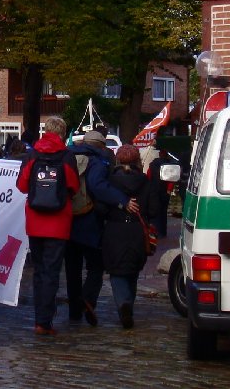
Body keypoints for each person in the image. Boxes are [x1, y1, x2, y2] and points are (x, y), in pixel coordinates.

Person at [65, 131, 137, 326]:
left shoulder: (67, 156)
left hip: (67, 219)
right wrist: (122, 200)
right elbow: (98, 186)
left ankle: (74, 311)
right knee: (96, 266)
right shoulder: (97, 160)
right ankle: (87, 299)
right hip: (89, 221)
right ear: (101, 145)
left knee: (72, 268)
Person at [16, 117, 79, 336]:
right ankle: (45, 320)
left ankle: (39, 318)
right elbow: (74, 185)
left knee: (39, 270)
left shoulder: (32, 155)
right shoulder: (67, 156)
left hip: (35, 220)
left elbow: (22, 185)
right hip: (59, 221)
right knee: (52, 271)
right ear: (62, 133)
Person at [103, 144, 160, 329]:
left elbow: (101, 207)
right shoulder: (145, 181)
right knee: (132, 271)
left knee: (117, 270)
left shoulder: (110, 182)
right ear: (138, 161)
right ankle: (129, 304)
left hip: (114, 229)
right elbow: (154, 209)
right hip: (137, 231)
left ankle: (123, 303)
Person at [146, 150, 172, 238]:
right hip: (164, 190)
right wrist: (169, 190)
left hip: (153, 191)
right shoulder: (168, 165)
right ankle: (163, 232)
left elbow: (148, 177)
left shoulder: (152, 165)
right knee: (163, 212)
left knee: (155, 211)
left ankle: (155, 231)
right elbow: (170, 179)